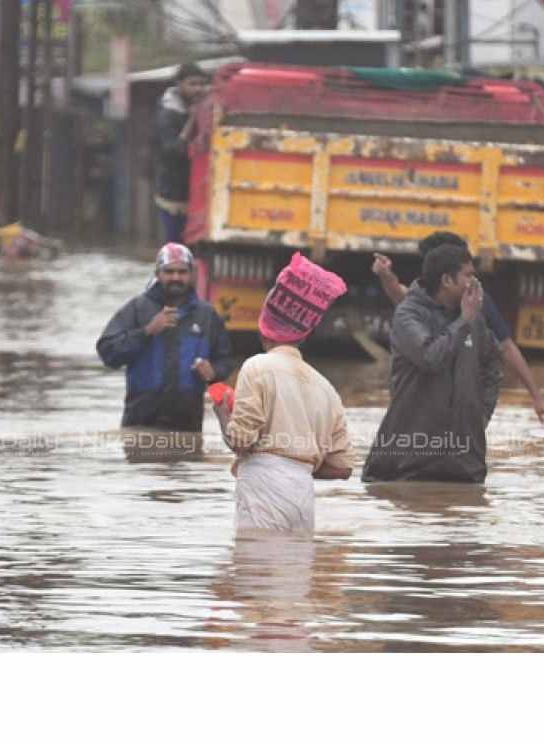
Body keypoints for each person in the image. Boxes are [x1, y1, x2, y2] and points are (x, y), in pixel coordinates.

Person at [216, 253, 353, 532]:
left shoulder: (257, 367)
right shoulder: (325, 388)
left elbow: (240, 443)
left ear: (263, 328)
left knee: (255, 570)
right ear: (304, 335)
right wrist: (298, 461)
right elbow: (343, 468)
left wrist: (222, 415)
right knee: (295, 571)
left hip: (263, 489)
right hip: (303, 494)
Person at [371, 232, 544, 429]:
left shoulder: (475, 303)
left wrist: (483, 417)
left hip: (457, 422)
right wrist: (386, 276)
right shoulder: (415, 307)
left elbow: (502, 353)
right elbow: (402, 299)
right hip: (414, 423)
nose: (472, 281)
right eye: (468, 274)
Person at [362, 239, 504, 484]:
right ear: (447, 281)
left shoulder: (473, 319)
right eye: (468, 276)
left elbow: (493, 366)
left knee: (466, 517)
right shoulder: (409, 315)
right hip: (406, 463)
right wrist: (464, 321)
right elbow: (431, 358)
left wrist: (479, 416)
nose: (475, 283)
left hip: (464, 464)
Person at [97, 242, 233, 431]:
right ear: (157, 274)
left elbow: (226, 359)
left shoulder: (206, 314)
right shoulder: (137, 308)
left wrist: (214, 372)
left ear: (191, 274)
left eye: (182, 272)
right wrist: (147, 331)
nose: (176, 277)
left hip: (188, 427)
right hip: (140, 423)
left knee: (190, 461)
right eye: (169, 272)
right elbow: (108, 352)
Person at [154, 62, 209, 244]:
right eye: (192, 84)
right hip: (173, 194)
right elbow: (174, 150)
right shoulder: (168, 113)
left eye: (201, 84)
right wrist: (193, 119)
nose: (198, 89)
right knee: (175, 245)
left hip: (199, 192)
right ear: (179, 84)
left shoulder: (206, 108)